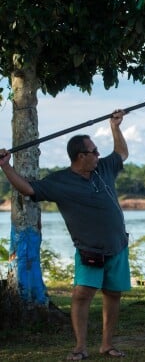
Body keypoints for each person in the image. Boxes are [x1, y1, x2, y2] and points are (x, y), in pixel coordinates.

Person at [0, 110, 130, 360]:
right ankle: (80, 347)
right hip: (90, 249)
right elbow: (28, 188)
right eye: (93, 151)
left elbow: (122, 153)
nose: (98, 154)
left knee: (113, 294)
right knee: (82, 295)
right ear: (81, 156)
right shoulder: (60, 182)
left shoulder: (104, 168)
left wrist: (115, 127)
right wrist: (6, 167)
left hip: (118, 245)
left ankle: (107, 344)